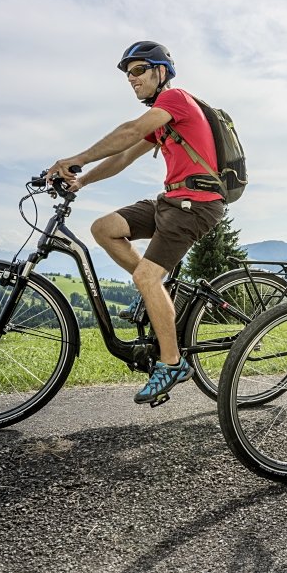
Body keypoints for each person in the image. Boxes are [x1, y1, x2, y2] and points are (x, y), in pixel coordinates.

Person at [47, 41, 225, 405]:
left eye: (139, 70)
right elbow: (124, 156)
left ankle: (172, 363)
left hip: (197, 203)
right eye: (128, 74)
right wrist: (82, 180)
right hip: (171, 200)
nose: (132, 78)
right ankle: (157, 294)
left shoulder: (174, 101)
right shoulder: (161, 121)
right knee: (103, 228)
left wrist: (75, 158)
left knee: (145, 276)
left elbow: (127, 131)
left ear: (162, 72)